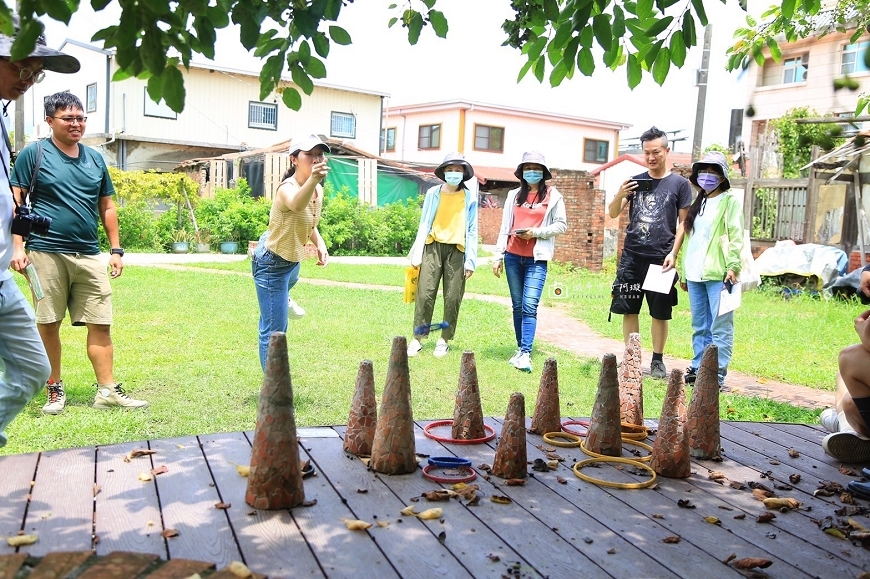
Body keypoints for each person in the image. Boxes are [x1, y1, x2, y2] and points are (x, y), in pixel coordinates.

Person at [10, 91, 147, 414]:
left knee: (101, 322)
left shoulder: (95, 158)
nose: (76, 124)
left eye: (81, 118)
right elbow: (18, 202)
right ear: (49, 121)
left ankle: (107, 390)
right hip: (45, 251)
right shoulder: (35, 153)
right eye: (68, 118)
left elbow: (107, 205)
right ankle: (54, 388)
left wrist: (116, 250)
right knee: (48, 322)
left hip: (89, 253)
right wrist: (18, 246)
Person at [0, 17, 77, 443]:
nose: (28, 79)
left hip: (2, 279)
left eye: (35, 72)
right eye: (20, 67)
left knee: (33, 367)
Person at [608, 126, 692, 379]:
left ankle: (657, 360)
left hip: (661, 259)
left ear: (667, 151)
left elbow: (683, 224)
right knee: (628, 308)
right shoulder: (635, 181)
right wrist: (620, 194)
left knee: (659, 312)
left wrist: (674, 253)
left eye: (656, 152)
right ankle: (631, 358)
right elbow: (613, 213)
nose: (651, 157)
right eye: (647, 153)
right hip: (632, 257)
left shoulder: (680, 184)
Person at [663, 151, 742, 390]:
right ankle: (698, 368)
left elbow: (735, 235)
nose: (707, 176)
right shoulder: (699, 202)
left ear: (722, 177)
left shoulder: (729, 201)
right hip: (695, 274)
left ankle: (716, 375)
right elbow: (691, 238)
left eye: (713, 172)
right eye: (703, 172)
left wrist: (733, 266)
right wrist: (684, 271)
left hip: (720, 274)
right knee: (700, 326)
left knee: (720, 326)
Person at [252, 134, 329, 370]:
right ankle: (273, 390)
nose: (316, 159)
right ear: (294, 159)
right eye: (309, 154)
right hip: (271, 264)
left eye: (320, 154)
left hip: (292, 261)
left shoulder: (318, 190)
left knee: (287, 286)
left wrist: (320, 242)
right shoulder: (287, 188)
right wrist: (314, 181)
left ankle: (282, 298)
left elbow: (310, 221)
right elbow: (296, 205)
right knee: (274, 331)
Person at [492, 152, 567, 373]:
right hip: (513, 257)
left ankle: (525, 352)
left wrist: (536, 232)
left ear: (543, 172)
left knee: (529, 305)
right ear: (522, 172)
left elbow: (561, 225)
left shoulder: (553, 196)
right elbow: (505, 227)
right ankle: (520, 348)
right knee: (517, 305)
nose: (531, 172)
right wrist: (498, 256)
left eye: (536, 168)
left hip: (537, 259)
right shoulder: (514, 195)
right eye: (527, 168)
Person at [407, 152, 478, 358]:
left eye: (458, 170)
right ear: (444, 172)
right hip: (433, 246)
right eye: (450, 170)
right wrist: (417, 253)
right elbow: (424, 223)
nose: (454, 174)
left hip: (458, 250)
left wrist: (471, 260)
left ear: (464, 174)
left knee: (452, 297)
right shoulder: (433, 193)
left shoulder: (469, 197)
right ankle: (417, 339)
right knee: (425, 294)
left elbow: (472, 229)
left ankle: (443, 340)